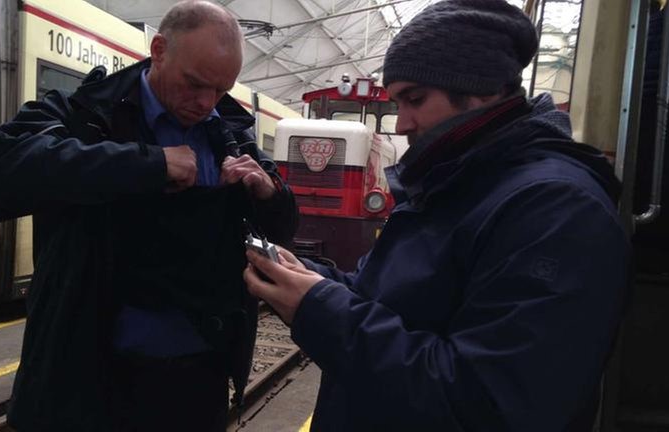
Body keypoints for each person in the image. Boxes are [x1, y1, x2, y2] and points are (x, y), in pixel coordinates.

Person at [244, 0, 629, 430]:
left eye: (414, 99)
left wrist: (320, 309)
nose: (402, 124)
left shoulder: (556, 210)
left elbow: (489, 402)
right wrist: (312, 279)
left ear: (480, 89)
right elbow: (390, 298)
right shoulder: (455, 180)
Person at [0, 1, 297, 431]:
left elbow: (284, 228)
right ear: (159, 50)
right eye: (194, 84)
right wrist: (145, 164)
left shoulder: (230, 135)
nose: (205, 103)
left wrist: (270, 195)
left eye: (220, 90)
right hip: (85, 388)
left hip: (195, 389)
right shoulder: (85, 114)